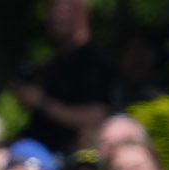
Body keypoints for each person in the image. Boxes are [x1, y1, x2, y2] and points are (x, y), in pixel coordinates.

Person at [12, 0, 114, 155]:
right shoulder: (54, 63)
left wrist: (41, 102)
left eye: (59, 10)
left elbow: (95, 115)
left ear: (81, 14)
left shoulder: (95, 62)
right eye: (50, 11)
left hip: (69, 156)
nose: (52, 17)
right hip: (38, 147)